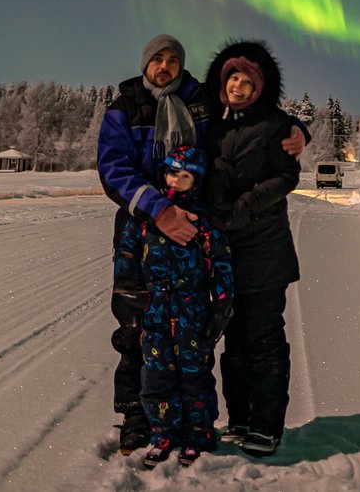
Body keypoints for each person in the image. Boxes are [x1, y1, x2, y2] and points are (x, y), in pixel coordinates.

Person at [97, 34, 306, 455]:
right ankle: (137, 419)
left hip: (194, 230)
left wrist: (299, 130)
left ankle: (193, 421)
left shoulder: (199, 99)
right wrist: (159, 210)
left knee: (190, 330)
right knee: (137, 327)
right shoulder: (126, 107)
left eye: (173, 59)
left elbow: (253, 114)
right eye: (157, 58)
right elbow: (113, 168)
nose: (165, 66)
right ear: (145, 63)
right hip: (141, 229)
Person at [203, 40, 301, 458]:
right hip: (225, 250)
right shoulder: (214, 125)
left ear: (260, 88)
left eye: (247, 80)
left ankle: (266, 425)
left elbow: (287, 176)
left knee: (263, 339)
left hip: (265, 247)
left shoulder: (278, 126)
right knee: (233, 340)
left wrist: (246, 205)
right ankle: (239, 417)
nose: (239, 86)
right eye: (233, 78)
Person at [119, 145, 233, 468]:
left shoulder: (203, 219)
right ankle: (162, 433)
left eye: (185, 176)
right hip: (155, 309)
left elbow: (221, 262)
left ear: (196, 180)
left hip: (192, 309)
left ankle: (198, 435)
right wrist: (130, 297)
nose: (177, 180)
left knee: (195, 375)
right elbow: (127, 257)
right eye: (172, 173)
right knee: (156, 375)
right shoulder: (148, 217)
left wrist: (222, 304)